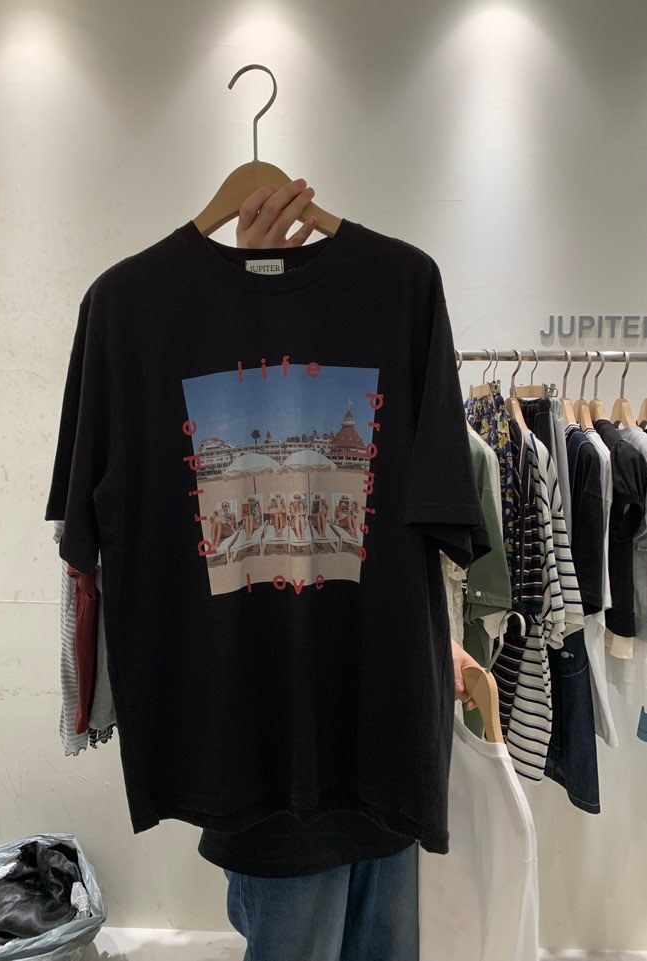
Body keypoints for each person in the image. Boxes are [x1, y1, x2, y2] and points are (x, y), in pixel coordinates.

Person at [219, 177, 482, 960]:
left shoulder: (404, 292)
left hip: (382, 734)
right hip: (271, 750)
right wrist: (248, 304)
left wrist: (437, 639)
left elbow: (438, 524)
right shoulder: (156, 315)